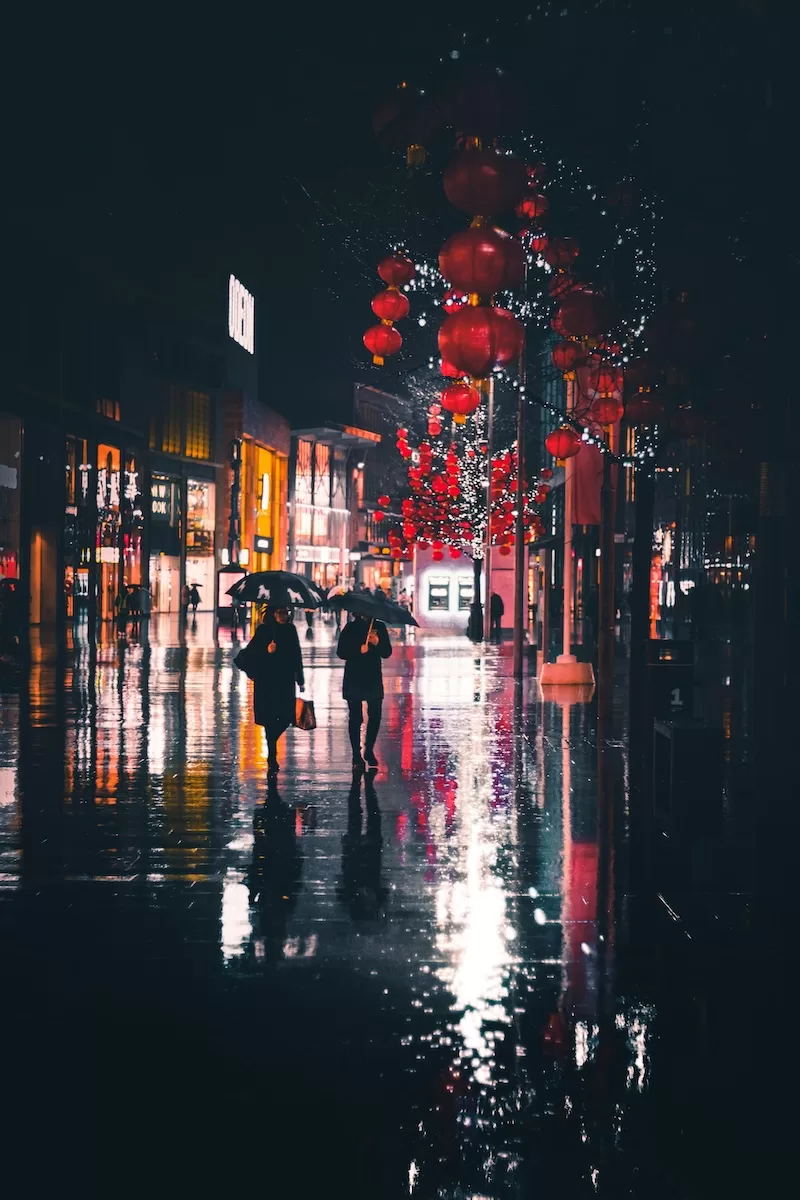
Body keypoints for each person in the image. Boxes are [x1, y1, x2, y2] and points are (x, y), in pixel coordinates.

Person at [242, 605, 305, 776]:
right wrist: (266, 651)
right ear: (273, 613)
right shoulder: (264, 631)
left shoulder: (290, 630)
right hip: (267, 681)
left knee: (285, 716)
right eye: (280, 612)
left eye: (286, 613)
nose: (284, 616)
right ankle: (272, 754)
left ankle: (272, 743)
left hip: (285, 681)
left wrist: (300, 678)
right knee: (270, 719)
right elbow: (249, 654)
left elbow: (296, 655)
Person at [337, 613, 392, 770]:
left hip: (373, 677)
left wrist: (378, 642)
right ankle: (356, 754)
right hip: (354, 677)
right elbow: (341, 652)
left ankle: (369, 749)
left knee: (375, 715)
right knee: (355, 717)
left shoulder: (379, 627)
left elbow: (387, 652)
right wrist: (358, 650)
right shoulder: (350, 628)